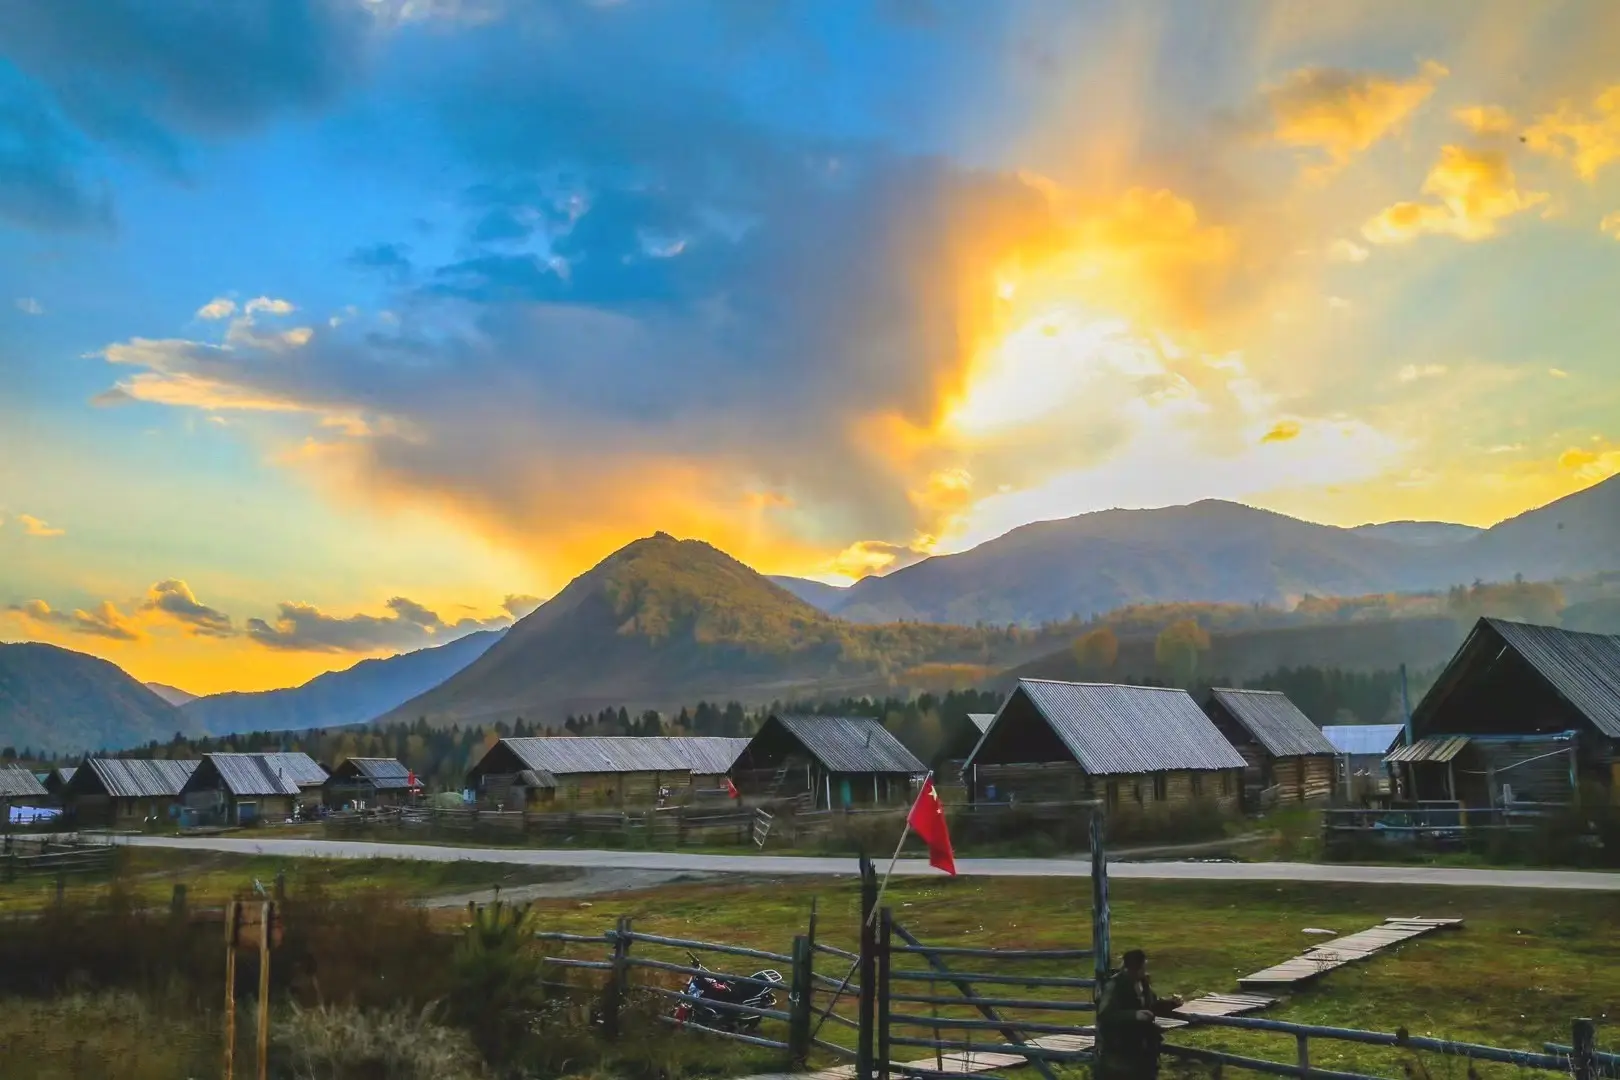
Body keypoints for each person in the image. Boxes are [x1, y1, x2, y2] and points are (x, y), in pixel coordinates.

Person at [1095, 949, 1183, 1080]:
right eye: (1142, 967)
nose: (1145, 970)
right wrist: (1134, 1015)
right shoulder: (1114, 985)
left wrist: (1171, 1003)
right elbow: (1105, 1016)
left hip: (1144, 1051)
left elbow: (1152, 1005)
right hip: (1120, 1052)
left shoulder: (1143, 983)